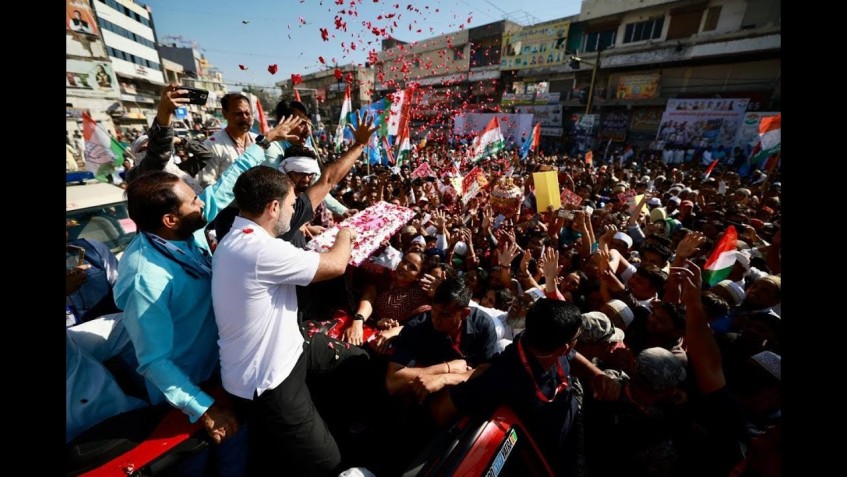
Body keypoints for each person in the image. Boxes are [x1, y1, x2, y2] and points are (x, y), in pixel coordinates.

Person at [113, 118, 304, 475]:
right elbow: (154, 360)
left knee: (240, 451)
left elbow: (224, 187)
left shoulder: (185, 232)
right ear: (170, 219)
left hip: (222, 372)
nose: (203, 202)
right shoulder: (145, 278)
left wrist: (264, 142)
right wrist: (203, 408)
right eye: (192, 200)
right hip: (187, 396)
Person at [211, 166, 367, 476]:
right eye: (293, 204)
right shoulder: (259, 250)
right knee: (327, 462)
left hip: (289, 350)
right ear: (273, 207)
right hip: (269, 382)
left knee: (358, 360)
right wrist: (346, 233)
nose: (296, 210)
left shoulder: (239, 238)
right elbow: (336, 264)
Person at [429, 298, 596, 475]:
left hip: (571, 435)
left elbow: (572, 357)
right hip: (543, 461)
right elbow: (441, 409)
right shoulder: (503, 377)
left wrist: (596, 373)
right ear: (565, 347)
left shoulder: (541, 345)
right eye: (577, 337)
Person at [197, 93, 258, 187]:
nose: (245, 118)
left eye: (247, 113)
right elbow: (206, 182)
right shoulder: (212, 145)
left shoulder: (257, 140)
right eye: (239, 113)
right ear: (225, 114)